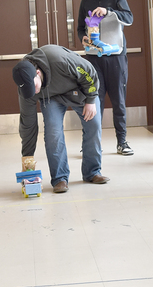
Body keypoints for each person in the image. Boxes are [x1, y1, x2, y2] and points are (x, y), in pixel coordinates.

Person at [12, 44, 108, 194]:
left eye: (34, 86)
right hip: (52, 97)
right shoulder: (27, 90)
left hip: (80, 89)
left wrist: (91, 99)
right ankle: (60, 178)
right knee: (53, 131)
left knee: (94, 125)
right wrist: (27, 157)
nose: (33, 91)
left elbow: (89, 72)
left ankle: (92, 172)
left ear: (38, 73)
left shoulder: (59, 61)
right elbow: (28, 124)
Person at [77, 0, 135, 156]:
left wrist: (108, 12)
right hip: (93, 58)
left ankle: (122, 142)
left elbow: (129, 18)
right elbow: (79, 28)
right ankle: (93, 143)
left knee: (118, 100)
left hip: (115, 56)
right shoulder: (86, 1)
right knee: (94, 100)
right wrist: (82, 38)